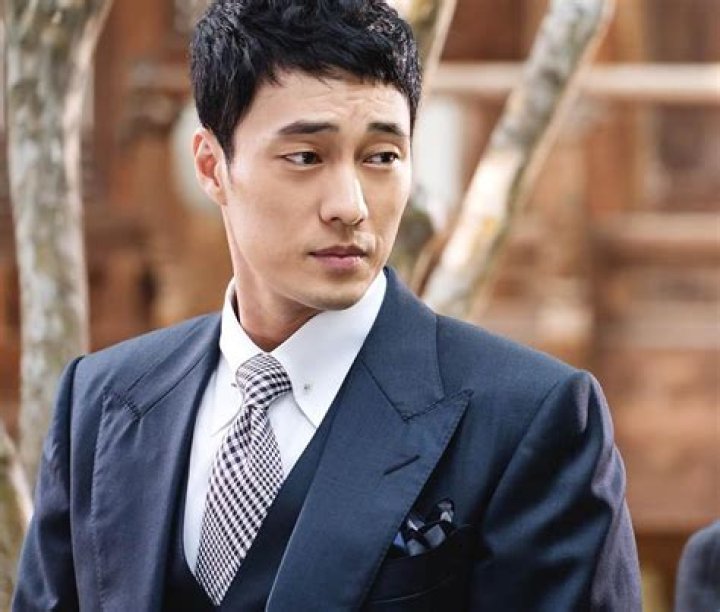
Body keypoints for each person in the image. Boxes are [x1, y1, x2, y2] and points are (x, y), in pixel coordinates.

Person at [13, 1, 642, 610]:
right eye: (306, 157)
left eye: (382, 157)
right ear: (212, 166)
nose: (350, 205)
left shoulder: (529, 418)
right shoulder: (101, 401)